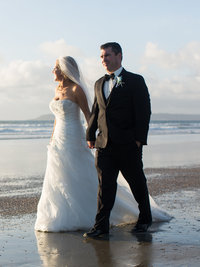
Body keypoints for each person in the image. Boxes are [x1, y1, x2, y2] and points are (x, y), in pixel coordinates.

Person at [35, 56, 170, 233]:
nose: (53, 71)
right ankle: (79, 218)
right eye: (101, 56)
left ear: (65, 70)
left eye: (56, 68)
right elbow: (59, 118)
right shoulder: (83, 85)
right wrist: (52, 139)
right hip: (60, 139)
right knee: (65, 178)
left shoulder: (78, 89)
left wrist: (93, 135)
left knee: (130, 179)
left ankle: (143, 215)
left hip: (80, 137)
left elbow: (90, 114)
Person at [84, 42, 156, 238]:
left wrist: (139, 140)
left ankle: (145, 219)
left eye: (107, 55)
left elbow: (144, 112)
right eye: (101, 56)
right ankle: (101, 226)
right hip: (104, 144)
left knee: (136, 182)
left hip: (128, 143)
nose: (103, 60)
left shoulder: (135, 80)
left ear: (119, 56)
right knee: (105, 186)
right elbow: (95, 111)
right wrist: (90, 135)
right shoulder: (99, 83)